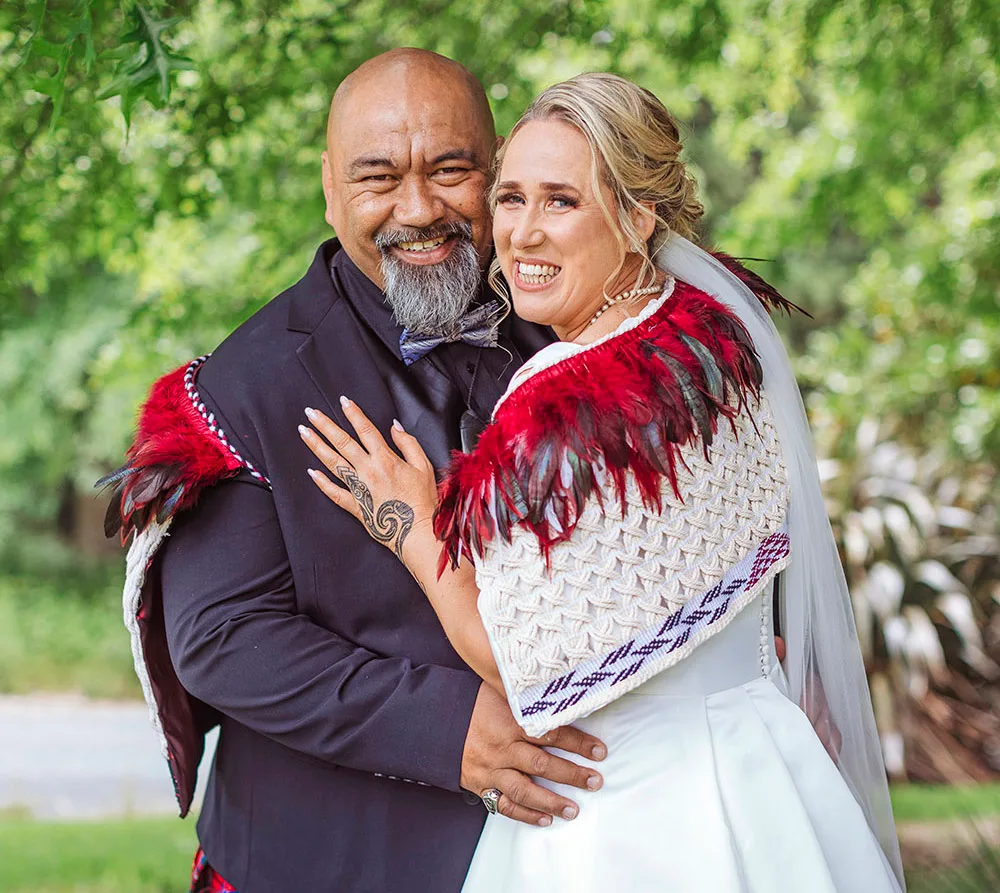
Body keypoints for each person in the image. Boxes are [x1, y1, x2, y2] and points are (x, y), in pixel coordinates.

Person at [302, 72, 907, 891]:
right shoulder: (711, 346)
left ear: (636, 214)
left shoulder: (560, 402)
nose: (521, 235)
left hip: (628, 814)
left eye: (561, 201)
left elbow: (516, 661)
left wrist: (412, 527)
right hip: (765, 765)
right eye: (510, 198)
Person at [99, 50, 609, 893]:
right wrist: (444, 727)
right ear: (330, 187)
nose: (419, 209)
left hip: (577, 844)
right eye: (379, 177)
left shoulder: (579, 327)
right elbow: (224, 639)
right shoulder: (246, 381)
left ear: (499, 168)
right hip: (322, 859)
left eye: (453, 170)